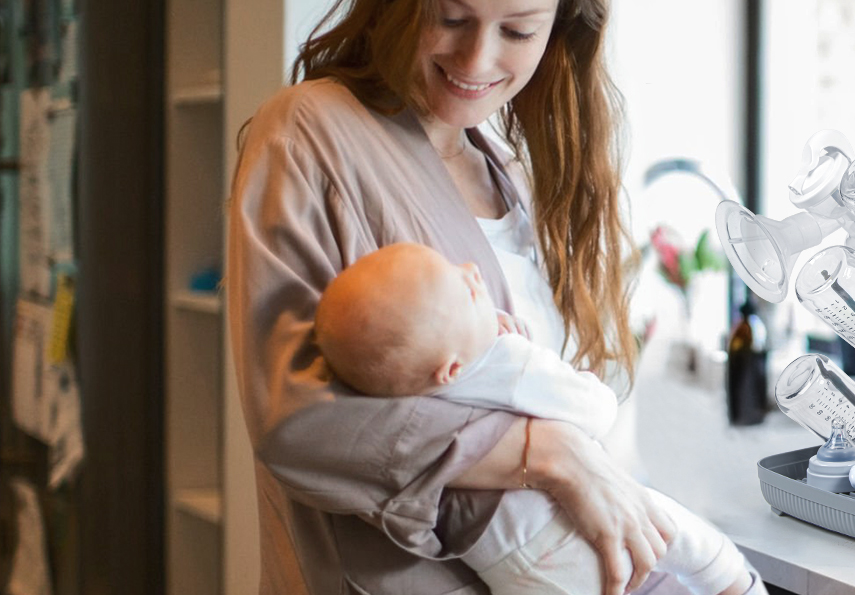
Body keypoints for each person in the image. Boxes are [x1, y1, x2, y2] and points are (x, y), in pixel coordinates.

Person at [228, 0, 736, 593]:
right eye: (450, 18)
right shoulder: (310, 130)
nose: (477, 58)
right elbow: (300, 423)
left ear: (559, 28)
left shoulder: (510, 175)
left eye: (517, 30)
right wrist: (547, 452)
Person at [312, 242, 757, 594]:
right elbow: (596, 413)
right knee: (689, 540)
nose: (471, 270)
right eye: (467, 289)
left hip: (500, 556)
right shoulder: (507, 362)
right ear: (449, 367)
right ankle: (737, 588)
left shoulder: (413, 398)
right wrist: (582, 382)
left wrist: (483, 322)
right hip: (564, 526)